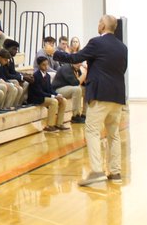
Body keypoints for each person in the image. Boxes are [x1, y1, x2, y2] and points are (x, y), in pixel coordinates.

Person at [54, 15, 128, 187]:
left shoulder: (96, 42)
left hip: (100, 93)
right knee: (113, 134)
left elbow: (75, 58)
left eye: (99, 22)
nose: (98, 24)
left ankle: (96, 171)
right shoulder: (122, 47)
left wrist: (55, 53)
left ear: (103, 25)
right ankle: (115, 172)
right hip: (117, 94)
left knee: (92, 130)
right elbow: (122, 69)